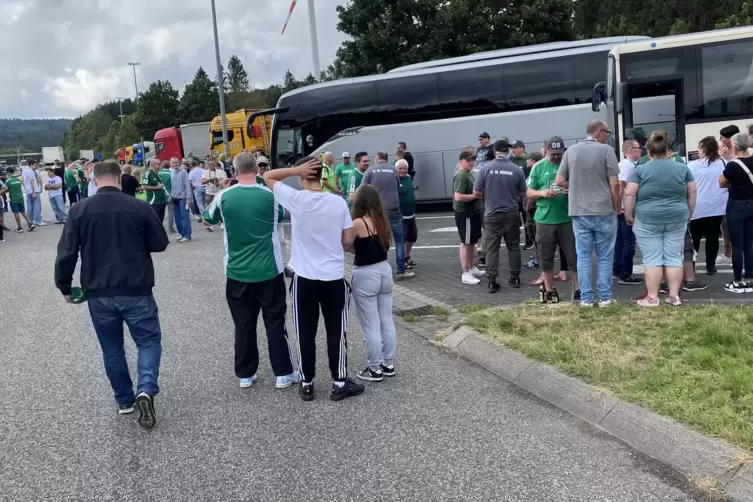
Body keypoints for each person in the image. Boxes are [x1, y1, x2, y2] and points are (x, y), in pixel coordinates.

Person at [54, 161, 169, 428]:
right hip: (136, 287)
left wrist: (65, 286)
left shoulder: (79, 210)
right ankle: (146, 388)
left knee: (112, 347)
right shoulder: (139, 207)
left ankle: (124, 400)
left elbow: (67, 252)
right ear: (119, 178)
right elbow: (160, 243)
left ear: (94, 180)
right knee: (148, 340)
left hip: (99, 292)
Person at [263, 157, 364, 402]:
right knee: (336, 331)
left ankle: (307, 383)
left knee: (304, 333)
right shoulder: (337, 202)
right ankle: (339, 382)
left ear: (301, 176)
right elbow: (348, 240)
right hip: (332, 277)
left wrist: (295, 169)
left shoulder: (296, 199)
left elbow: (267, 176)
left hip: (304, 278)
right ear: (322, 176)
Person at [202, 153, 299, 389]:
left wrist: (224, 190)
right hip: (269, 269)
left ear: (234, 171)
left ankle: (246, 373)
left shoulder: (224, 196)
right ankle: (283, 372)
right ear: (257, 169)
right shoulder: (271, 196)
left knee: (243, 323)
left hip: (237, 271)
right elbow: (279, 217)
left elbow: (208, 218)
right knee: (275, 321)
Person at [624, 130, 697, 307]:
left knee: (652, 258)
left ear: (648, 152)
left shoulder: (640, 169)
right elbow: (692, 191)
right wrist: (689, 212)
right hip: (677, 216)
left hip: (648, 218)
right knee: (673, 257)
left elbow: (629, 193)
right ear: (667, 151)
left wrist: (628, 214)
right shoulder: (682, 168)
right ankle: (674, 297)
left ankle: (652, 298)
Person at [556, 120, 620, 307]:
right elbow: (615, 183)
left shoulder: (571, 151)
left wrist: (575, 185)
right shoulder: (606, 150)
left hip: (579, 210)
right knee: (605, 256)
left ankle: (585, 299)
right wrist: (616, 206)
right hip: (603, 210)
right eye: (607, 132)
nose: (608, 135)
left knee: (583, 255)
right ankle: (605, 298)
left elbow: (559, 181)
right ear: (599, 132)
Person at [349, 184, 398, 382]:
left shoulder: (358, 223)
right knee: (386, 320)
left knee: (370, 324)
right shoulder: (382, 220)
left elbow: (348, 246)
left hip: (365, 273)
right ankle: (388, 363)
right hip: (384, 270)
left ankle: (374, 367)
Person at [526, 136, 580, 303]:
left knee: (574, 257)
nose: (556, 157)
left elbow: (581, 186)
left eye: (559, 153)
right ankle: (549, 291)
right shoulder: (538, 167)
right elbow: (529, 192)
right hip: (545, 219)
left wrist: (570, 189)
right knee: (546, 256)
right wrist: (543, 193)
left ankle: (578, 289)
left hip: (567, 218)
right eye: (553, 154)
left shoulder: (570, 165)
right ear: (547, 151)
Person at [473, 140, 526, 293]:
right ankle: (515, 278)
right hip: (512, 213)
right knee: (514, 247)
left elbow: (476, 192)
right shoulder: (516, 169)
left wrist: (489, 194)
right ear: (507, 152)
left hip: (492, 214)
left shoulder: (485, 169)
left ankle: (491, 281)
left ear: (495, 152)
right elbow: (523, 192)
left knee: (492, 249)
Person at [362, 152, 414, 279]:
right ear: (387, 159)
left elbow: (363, 190)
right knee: (399, 240)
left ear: (376, 159)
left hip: (378, 211)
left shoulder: (370, 171)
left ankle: (378, 269)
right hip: (394, 209)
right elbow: (396, 186)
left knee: (378, 239)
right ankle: (401, 271)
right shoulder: (393, 170)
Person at [688, 136, 728, 275]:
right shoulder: (723, 163)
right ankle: (710, 266)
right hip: (717, 207)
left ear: (703, 149)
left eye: (699, 148)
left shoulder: (692, 165)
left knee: (695, 239)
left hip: (697, 207)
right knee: (712, 237)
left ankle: (691, 266)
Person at [719, 132, 753, 293]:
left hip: (737, 205)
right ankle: (749, 278)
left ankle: (737, 281)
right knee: (750, 244)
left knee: (737, 245)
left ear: (736, 147)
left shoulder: (733, 165)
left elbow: (721, 182)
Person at [614, 140, 644, 285]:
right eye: (638, 148)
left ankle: (618, 270)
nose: (641, 150)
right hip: (626, 208)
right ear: (631, 149)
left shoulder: (625, 165)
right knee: (628, 242)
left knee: (620, 241)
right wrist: (619, 206)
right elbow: (621, 185)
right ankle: (626, 274)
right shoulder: (628, 166)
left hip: (622, 208)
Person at [455, 151, 485, 284]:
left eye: (473, 160)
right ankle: (465, 272)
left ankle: (471, 267)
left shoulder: (469, 174)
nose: (471, 162)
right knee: (466, 243)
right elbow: (459, 197)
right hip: (465, 213)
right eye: (468, 160)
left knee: (472, 241)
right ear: (461, 161)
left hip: (473, 212)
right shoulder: (461, 175)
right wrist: (476, 196)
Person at [397, 159, 418, 270]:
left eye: (404, 168)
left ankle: (407, 256)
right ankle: (401, 262)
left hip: (411, 214)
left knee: (412, 237)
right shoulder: (395, 180)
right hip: (401, 215)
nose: (402, 170)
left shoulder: (409, 178)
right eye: (400, 168)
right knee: (402, 239)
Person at [170, 158, 193, 243]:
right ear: (171, 164)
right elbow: (173, 186)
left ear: (179, 163)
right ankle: (182, 234)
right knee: (177, 218)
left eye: (176, 162)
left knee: (184, 217)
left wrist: (188, 199)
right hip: (175, 198)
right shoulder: (172, 173)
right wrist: (171, 195)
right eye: (173, 163)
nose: (175, 164)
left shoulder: (183, 172)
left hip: (183, 198)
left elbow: (187, 186)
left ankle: (187, 235)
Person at [4, 167, 33, 232]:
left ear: (8, 173)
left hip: (13, 199)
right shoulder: (18, 179)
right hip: (20, 198)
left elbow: (5, 189)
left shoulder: (8, 181)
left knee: (16, 212)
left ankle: (19, 227)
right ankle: (30, 223)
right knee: (23, 211)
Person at [202, 159, 227, 231]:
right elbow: (202, 181)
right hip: (209, 192)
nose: (211, 166)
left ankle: (222, 222)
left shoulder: (220, 172)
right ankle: (210, 224)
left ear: (215, 164)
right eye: (209, 164)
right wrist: (210, 180)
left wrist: (218, 182)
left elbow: (225, 180)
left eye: (212, 164)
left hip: (219, 192)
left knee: (220, 208)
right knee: (209, 208)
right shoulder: (205, 172)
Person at [142, 158, 167, 223]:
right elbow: (144, 186)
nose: (160, 166)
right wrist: (156, 187)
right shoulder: (148, 174)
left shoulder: (159, 175)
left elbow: (162, 186)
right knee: (155, 222)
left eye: (160, 164)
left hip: (162, 201)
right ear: (153, 165)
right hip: (154, 202)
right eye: (158, 164)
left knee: (160, 222)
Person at [22, 159, 43, 226]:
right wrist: (33, 192)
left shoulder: (24, 171)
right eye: (35, 165)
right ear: (31, 164)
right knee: (36, 206)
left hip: (28, 191)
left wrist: (26, 188)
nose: (36, 167)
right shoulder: (31, 172)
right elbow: (32, 182)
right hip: (34, 190)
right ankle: (37, 221)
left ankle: (31, 220)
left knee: (30, 206)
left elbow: (22, 180)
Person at [161, 160, 177, 234]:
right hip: (170, 194)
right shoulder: (172, 173)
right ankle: (170, 228)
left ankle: (160, 228)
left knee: (161, 212)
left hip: (161, 194)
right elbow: (174, 185)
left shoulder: (158, 173)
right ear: (169, 166)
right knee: (171, 212)